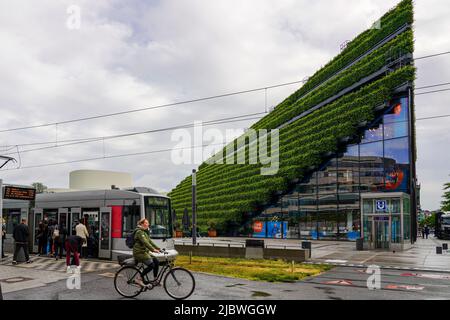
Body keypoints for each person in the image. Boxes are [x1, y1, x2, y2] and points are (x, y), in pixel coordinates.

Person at [133, 218, 161, 287]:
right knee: (151, 265)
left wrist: (158, 248)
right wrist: (153, 250)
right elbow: (145, 242)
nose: (148, 224)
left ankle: (155, 280)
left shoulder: (144, 232)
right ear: (142, 224)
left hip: (144, 252)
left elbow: (150, 242)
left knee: (156, 262)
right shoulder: (139, 232)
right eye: (146, 223)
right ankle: (138, 279)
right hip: (139, 253)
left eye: (148, 223)